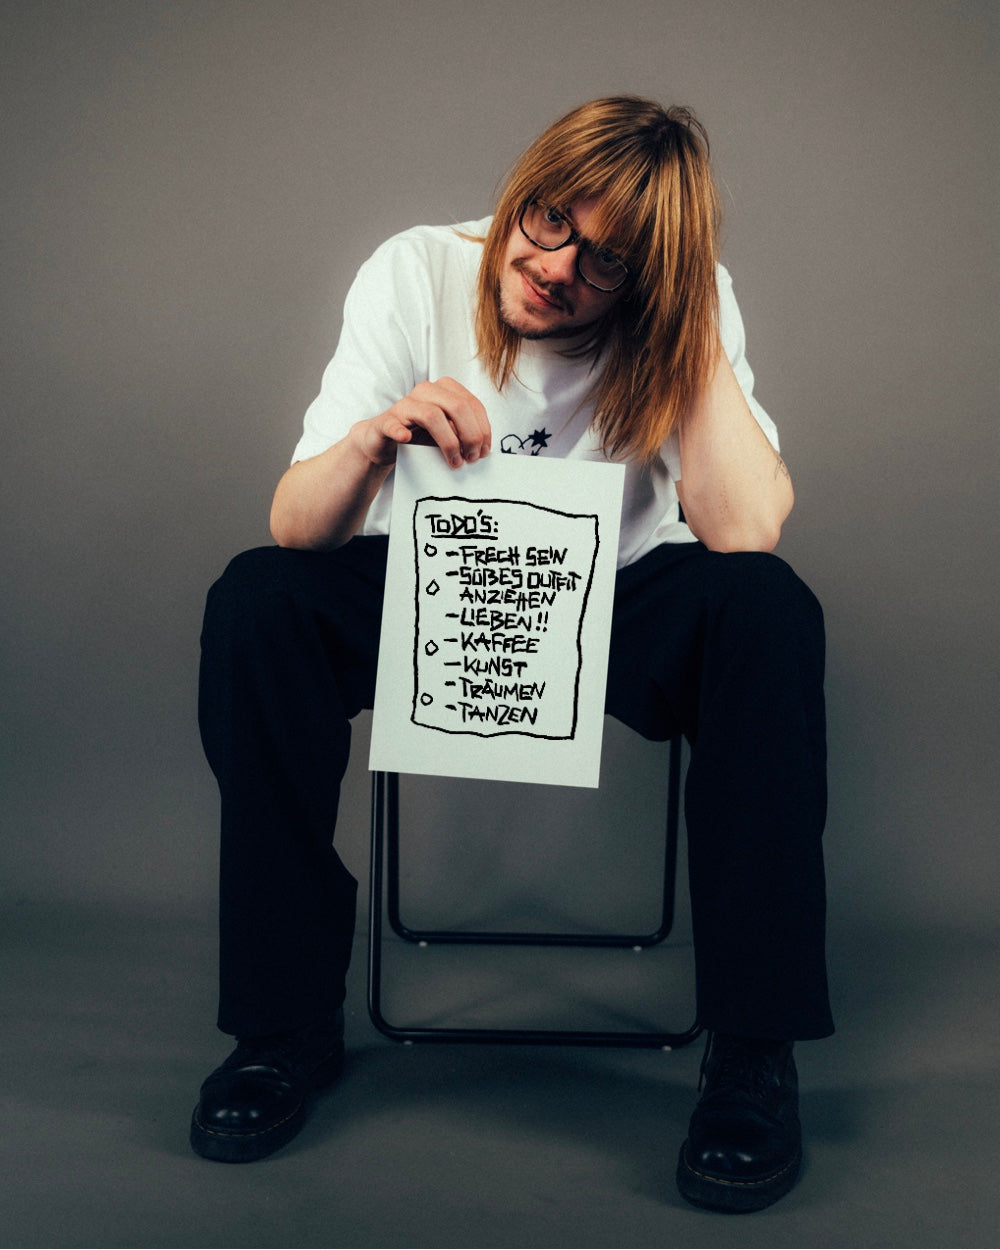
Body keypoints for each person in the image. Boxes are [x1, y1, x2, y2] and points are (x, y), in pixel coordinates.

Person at [191, 96, 832, 1213]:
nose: (554, 268)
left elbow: (744, 529)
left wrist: (683, 320)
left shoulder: (682, 309)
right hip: (431, 579)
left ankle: (754, 1049)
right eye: (546, 221)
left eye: (608, 261)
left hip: (620, 590)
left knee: (765, 609)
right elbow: (297, 527)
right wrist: (373, 438)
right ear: (520, 190)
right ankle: (281, 1023)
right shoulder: (413, 270)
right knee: (260, 600)